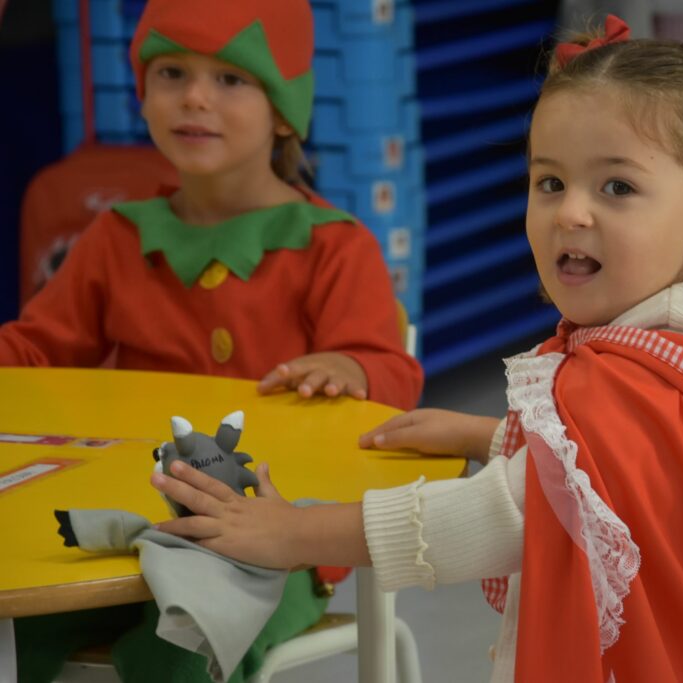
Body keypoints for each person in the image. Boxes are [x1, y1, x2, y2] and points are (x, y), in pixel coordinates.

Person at [152, 15, 683, 682]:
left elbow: (502, 516)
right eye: (550, 182)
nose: (571, 211)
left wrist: (291, 534)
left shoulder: (629, 381)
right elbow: (643, 471)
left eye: (617, 186)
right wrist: (493, 432)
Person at [7, 0, 422, 681]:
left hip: (273, 541)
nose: (195, 97)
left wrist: (350, 366)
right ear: (142, 94)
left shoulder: (334, 247)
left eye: (231, 79)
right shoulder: (117, 238)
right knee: (22, 626)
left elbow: (391, 377)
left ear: (285, 111)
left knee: (174, 644)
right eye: (171, 72)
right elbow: (34, 353)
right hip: (130, 516)